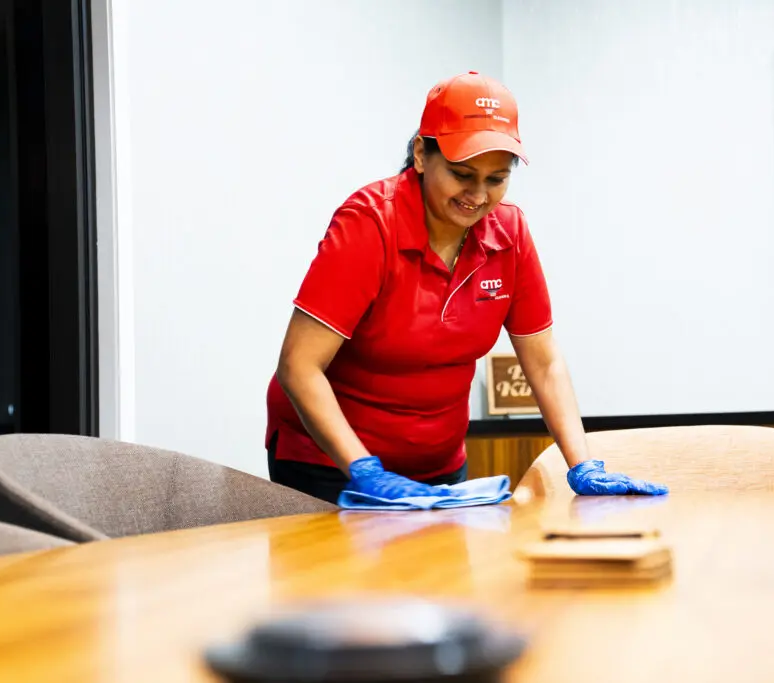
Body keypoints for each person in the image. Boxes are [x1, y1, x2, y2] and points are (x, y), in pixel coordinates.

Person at [264, 71, 667, 505]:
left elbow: (544, 362)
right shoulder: (370, 224)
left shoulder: (508, 232)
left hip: (441, 469)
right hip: (331, 467)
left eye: (496, 179)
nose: (477, 195)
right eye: (462, 174)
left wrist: (582, 463)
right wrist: (363, 469)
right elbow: (298, 365)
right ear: (421, 153)